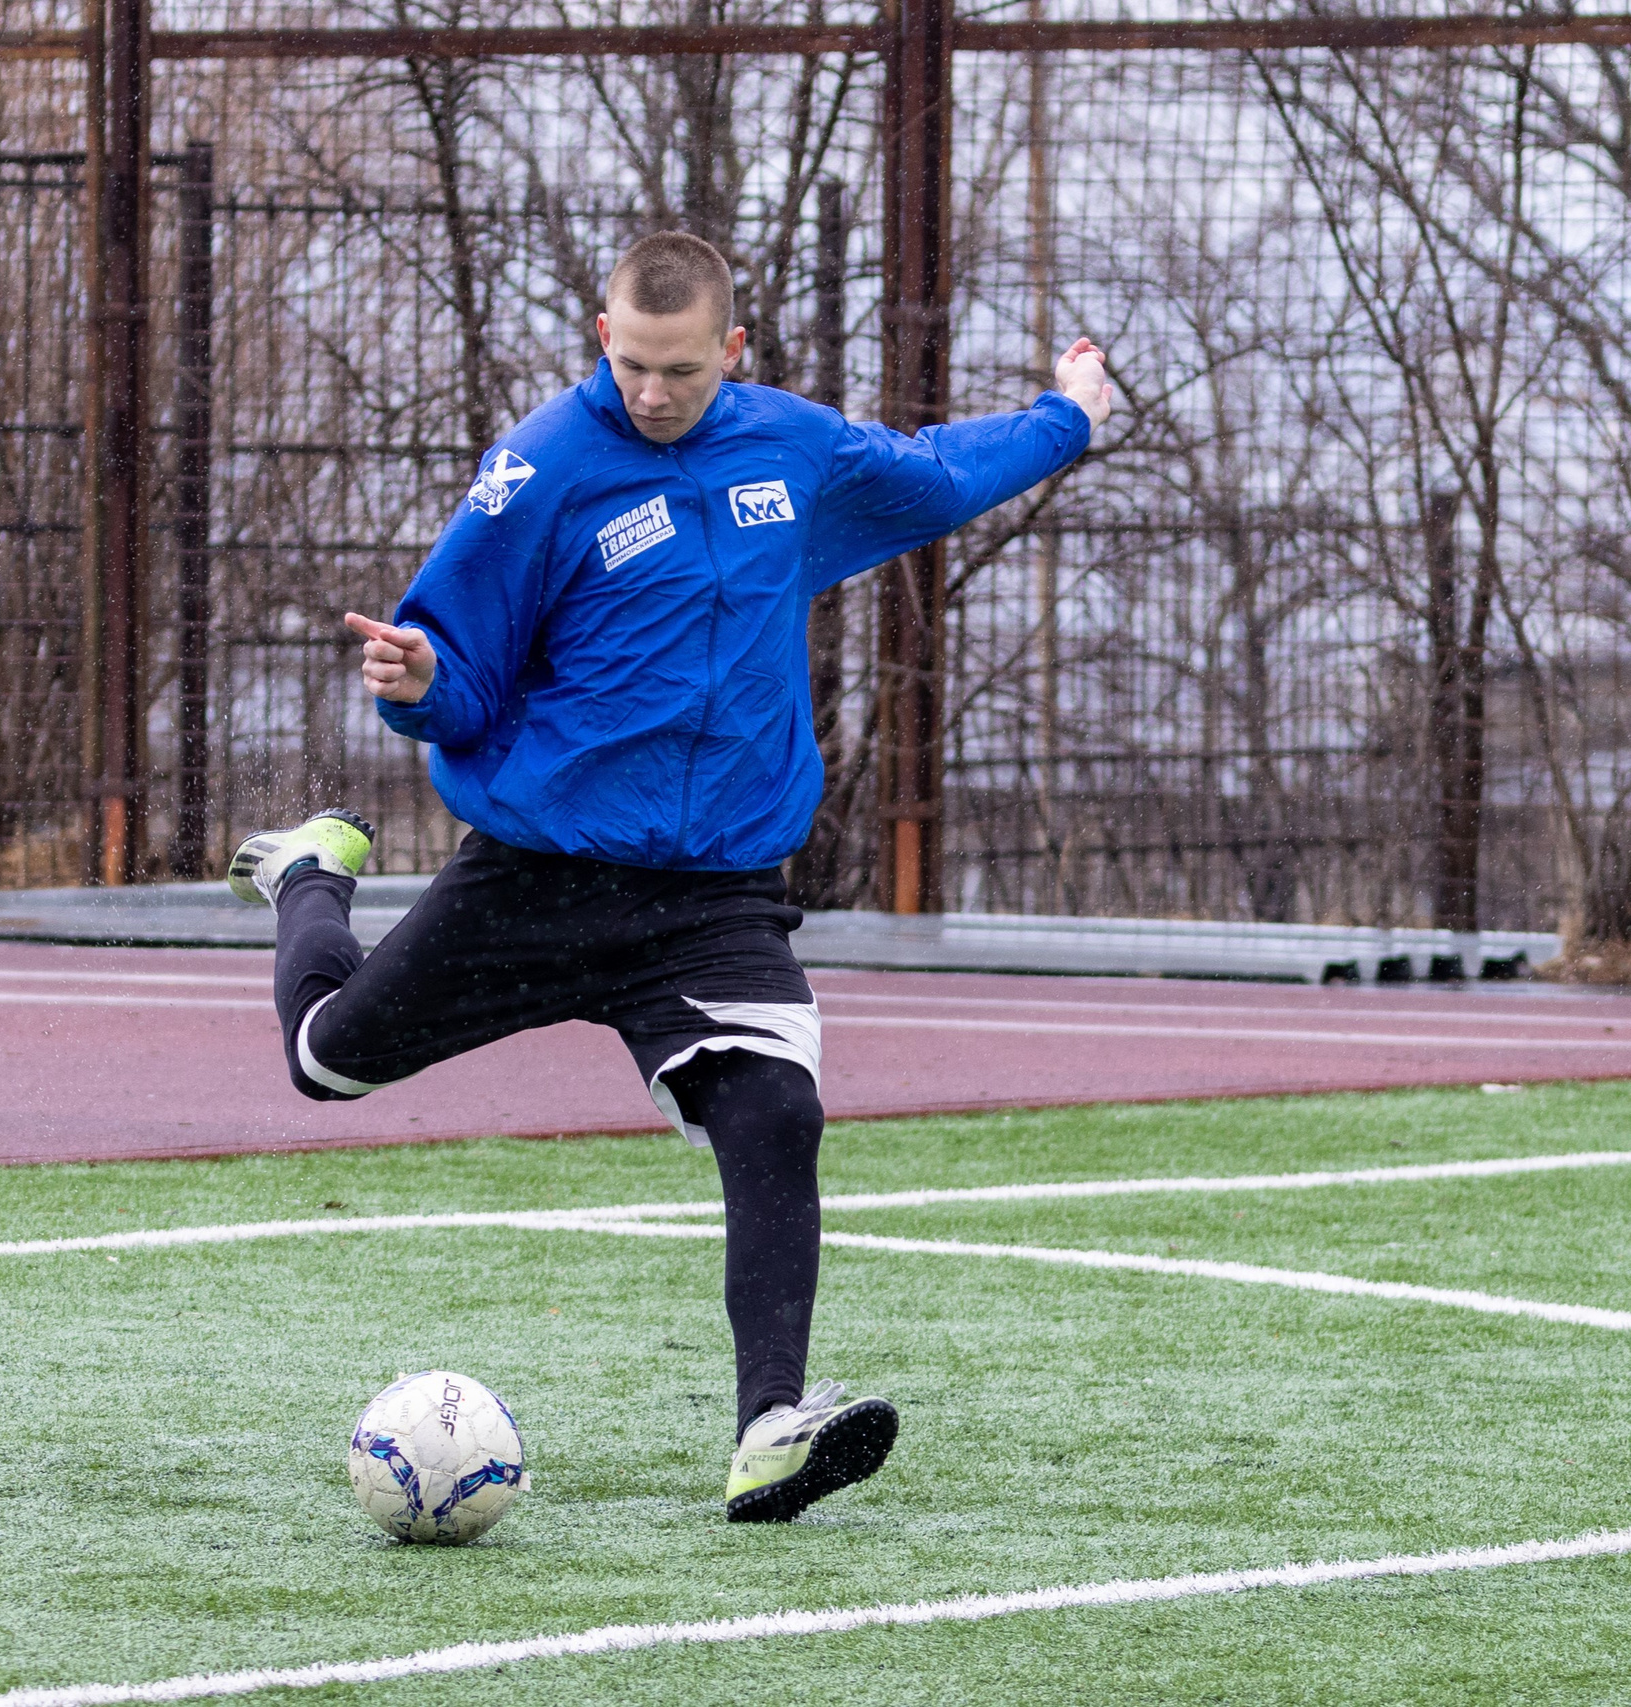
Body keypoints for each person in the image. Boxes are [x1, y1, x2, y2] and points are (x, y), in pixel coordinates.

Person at [228, 230, 1111, 1523]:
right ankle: (314, 871)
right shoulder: (538, 472)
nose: (653, 392)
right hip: (544, 874)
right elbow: (456, 668)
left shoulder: (789, 449)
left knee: (777, 1121)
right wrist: (417, 685)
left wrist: (1066, 419)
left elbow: (934, 476)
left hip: (714, 896)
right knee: (326, 1062)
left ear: (731, 352)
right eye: (634, 365)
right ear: (603, 336)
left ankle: (769, 1431)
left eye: (682, 370)